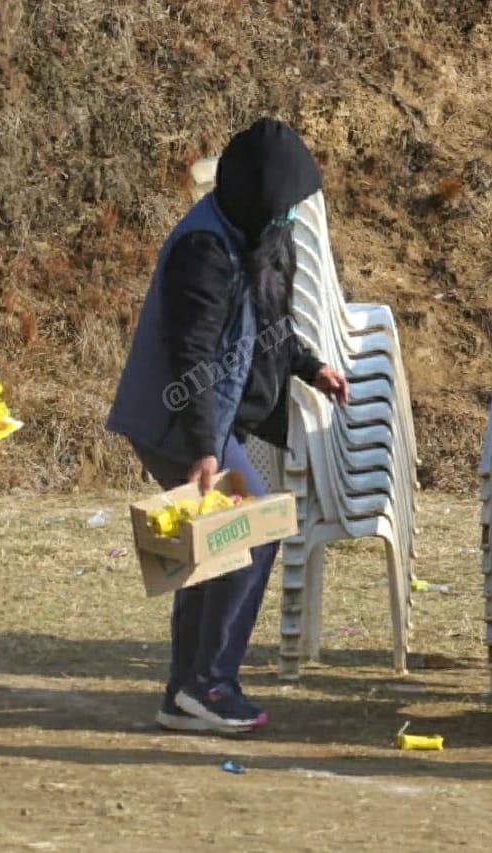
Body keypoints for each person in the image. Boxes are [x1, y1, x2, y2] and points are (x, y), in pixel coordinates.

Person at [106, 118, 349, 734]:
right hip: (176, 416)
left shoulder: (252, 233)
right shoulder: (205, 249)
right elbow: (193, 353)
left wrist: (309, 364)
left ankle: (182, 693)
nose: (290, 216)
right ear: (259, 193)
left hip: (204, 417)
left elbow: (265, 324)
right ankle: (210, 685)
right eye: (285, 203)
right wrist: (202, 449)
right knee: (253, 531)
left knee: (205, 549)